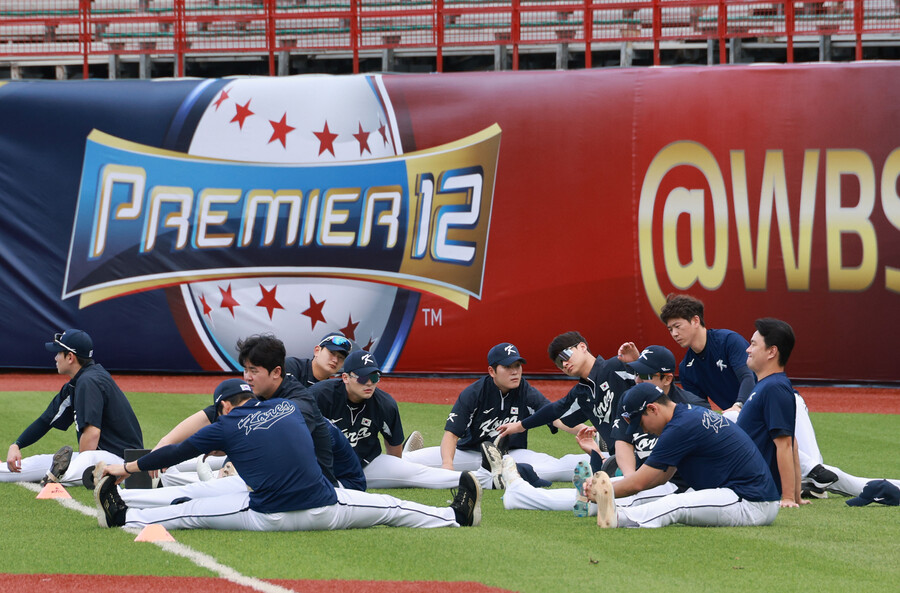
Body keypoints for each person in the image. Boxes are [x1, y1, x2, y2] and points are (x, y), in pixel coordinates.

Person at [93, 379, 482, 531]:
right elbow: (332, 437)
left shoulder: (225, 425)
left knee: (190, 511)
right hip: (327, 507)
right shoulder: (288, 408)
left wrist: (127, 467)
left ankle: (125, 515)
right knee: (393, 507)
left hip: (268, 515)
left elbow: (174, 451)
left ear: (225, 405)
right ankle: (455, 515)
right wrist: (352, 485)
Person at [584, 383, 780, 528]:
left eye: (641, 423)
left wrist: (604, 491)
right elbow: (660, 478)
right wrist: (603, 490)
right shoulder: (684, 416)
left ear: (653, 409)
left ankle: (619, 518)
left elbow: (639, 483)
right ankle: (595, 505)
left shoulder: (680, 427)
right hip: (743, 495)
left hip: (751, 501)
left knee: (676, 504)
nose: (643, 430)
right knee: (675, 496)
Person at [149, 334, 335, 487]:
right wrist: (165, 442)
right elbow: (208, 416)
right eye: (245, 370)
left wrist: (229, 455)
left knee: (203, 492)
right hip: (270, 483)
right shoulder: (257, 393)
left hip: (309, 491)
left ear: (276, 372)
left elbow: (275, 444)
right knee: (171, 473)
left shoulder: (299, 402)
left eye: (254, 371)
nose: (247, 377)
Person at [403, 342, 589, 484]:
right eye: (508, 367)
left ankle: (601, 460)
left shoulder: (524, 390)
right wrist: (447, 467)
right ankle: (410, 453)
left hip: (511, 455)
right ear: (492, 371)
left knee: (555, 469)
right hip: (471, 454)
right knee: (406, 464)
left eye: (517, 365)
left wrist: (587, 431)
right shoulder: (474, 393)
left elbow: (554, 416)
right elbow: (451, 435)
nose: (515, 372)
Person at [1, 329, 143, 485]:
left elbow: (92, 434)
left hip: (123, 463)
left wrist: (81, 465)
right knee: (40, 462)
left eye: (58, 353)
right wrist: (17, 444)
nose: (55, 357)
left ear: (70, 357)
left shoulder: (89, 381)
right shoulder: (76, 383)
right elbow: (46, 420)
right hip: (100, 458)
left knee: (84, 459)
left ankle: (55, 478)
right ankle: (9, 470)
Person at [309, 350, 467, 489]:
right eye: (362, 378)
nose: (369, 383)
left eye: (374, 377)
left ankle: (478, 479)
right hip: (324, 465)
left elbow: (394, 453)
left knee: (415, 473)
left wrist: (396, 467)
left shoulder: (385, 404)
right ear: (345, 377)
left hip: (366, 465)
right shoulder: (320, 395)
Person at [496, 331, 634, 459]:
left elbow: (646, 383)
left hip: (643, 448)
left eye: (565, 355)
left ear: (582, 347)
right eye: (559, 363)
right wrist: (520, 425)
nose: (564, 364)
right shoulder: (581, 394)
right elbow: (555, 410)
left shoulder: (616, 366)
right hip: (621, 460)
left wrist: (636, 361)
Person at [619, 293, 754, 413]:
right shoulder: (686, 369)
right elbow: (699, 408)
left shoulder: (729, 341)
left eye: (677, 326)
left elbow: (748, 376)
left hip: (759, 406)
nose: (674, 334)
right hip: (737, 420)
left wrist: (739, 406)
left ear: (695, 321)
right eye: (670, 329)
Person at [738, 318, 802, 507]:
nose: (748, 349)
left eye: (753, 344)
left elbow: (786, 444)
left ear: (772, 352)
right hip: (748, 482)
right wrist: (796, 494)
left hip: (752, 487)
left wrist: (788, 497)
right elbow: (793, 444)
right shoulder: (766, 385)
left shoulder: (774, 388)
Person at [284, 331, 352, 387]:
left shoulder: (332, 389)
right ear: (317, 351)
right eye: (332, 353)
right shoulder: (291, 366)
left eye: (341, 357)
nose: (335, 360)